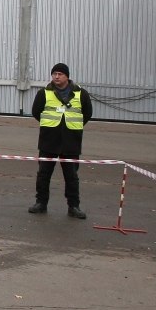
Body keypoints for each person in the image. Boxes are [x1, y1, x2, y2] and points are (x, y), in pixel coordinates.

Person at [28, 63, 93, 219]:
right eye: (54, 74)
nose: (56, 77)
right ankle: (41, 203)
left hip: (71, 142)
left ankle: (74, 206)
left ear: (67, 76)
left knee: (71, 176)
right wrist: (51, 126)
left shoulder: (81, 94)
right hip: (49, 141)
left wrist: (71, 127)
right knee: (43, 174)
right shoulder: (44, 93)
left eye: (60, 74)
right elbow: (36, 112)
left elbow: (87, 114)